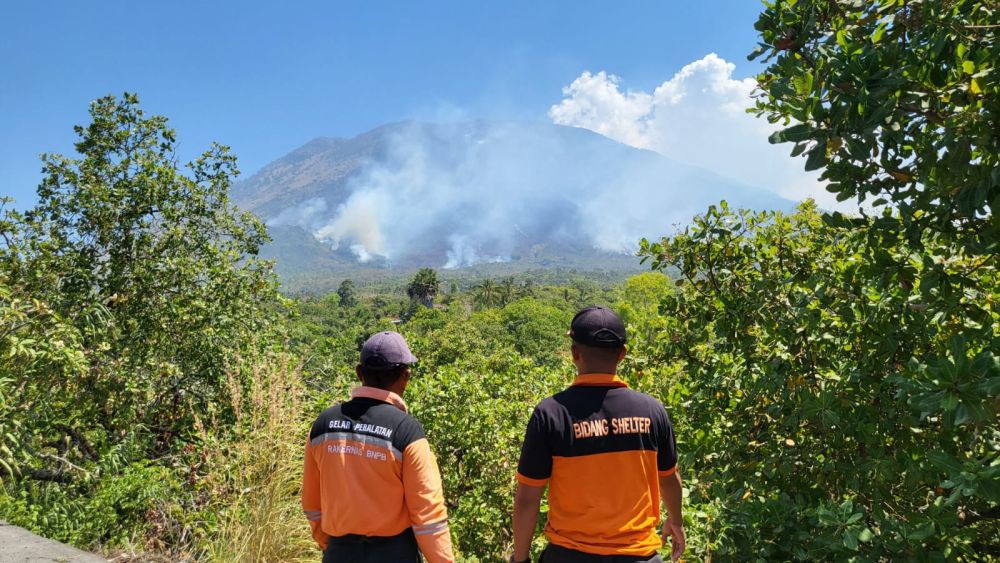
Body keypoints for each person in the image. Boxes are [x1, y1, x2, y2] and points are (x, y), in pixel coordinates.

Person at [511, 306, 685, 563]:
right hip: (638, 556)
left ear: (574, 353)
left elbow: (527, 498)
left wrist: (520, 559)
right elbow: (669, 479)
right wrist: (676, 521)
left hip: (569, 556)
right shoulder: (651, 411)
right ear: (622, 354)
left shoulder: (551, 414)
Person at [302, 331, 455, 562]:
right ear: (406, 376)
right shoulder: (407, 432)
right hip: (394, 554)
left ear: (359, 373)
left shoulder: (322, 426)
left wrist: (331, 545)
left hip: (339, 553)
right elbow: (428, 515)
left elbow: (312, 504)